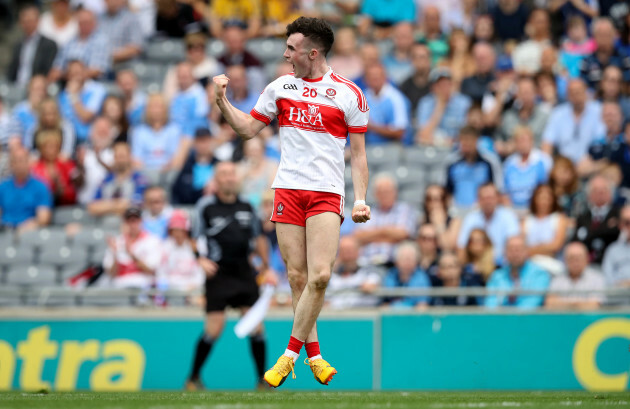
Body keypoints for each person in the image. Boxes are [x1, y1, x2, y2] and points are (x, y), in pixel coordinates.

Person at [211, 17, 371, 388]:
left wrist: (361, 199)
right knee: (297, 277)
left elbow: (359, 155)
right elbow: (247, 128)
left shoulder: (350, 94)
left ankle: (289, 355)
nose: (285, 55)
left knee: (321, 276)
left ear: (311, 53)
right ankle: (315, 357)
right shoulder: (280, 87)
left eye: (291, 49)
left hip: (327, 193)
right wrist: (221, 100)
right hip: (287, 190)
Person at [186, 161, 275, 390]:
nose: (229, 178)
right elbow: (193, 236)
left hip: (244, 273)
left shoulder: (247, 205)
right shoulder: (206, 206)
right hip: (219, 274)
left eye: (232, 174)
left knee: (257, 327)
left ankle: (262, 381)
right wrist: (200, 258)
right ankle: (193, 378)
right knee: (214, 328)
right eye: (223, 174)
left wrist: (266, 267)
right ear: (216, 180)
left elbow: (259, 239)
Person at [354, 174, 418, 266]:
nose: (384, 195)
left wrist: (373, 236)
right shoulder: (368, 211)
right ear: (375, 194)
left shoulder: (405, 209)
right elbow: (359, 236)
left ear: (395, 192)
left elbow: (404, 234)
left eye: (387, 192)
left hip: (394, 264)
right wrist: (388, 233)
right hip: (369, 263)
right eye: (381, 192)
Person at [541, 79, 605, 165]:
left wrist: (591, 161)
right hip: (565, 165)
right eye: (572, 92)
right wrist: (547, 164)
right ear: (567, 95)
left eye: (578, 92)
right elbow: (547, 142)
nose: (576, 95)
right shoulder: (558, 113)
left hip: (591, 162)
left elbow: (602, 140)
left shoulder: (599, 111)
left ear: (586, 92)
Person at [457, 183, 520, 265]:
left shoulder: (508, 216)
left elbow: (514, 244)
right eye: (484, 198)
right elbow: (461, 247)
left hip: (503, 265)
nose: (488, 201)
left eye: (490, 197)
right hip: (476, 265)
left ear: (497, 198)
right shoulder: (471, 218)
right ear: (478, 199)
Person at [445, 126, 504, 211]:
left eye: (469, 140)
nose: (466, 144)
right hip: (456, 210)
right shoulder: (451, 162)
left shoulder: (490, 162)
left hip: (482, 210)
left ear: (477, 140)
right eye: (463, 140)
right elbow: (446, 190)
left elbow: (498, 189)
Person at [103, 206, 162, 289]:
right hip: (120, 286)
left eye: (135, 221)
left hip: (143, 284)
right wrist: (115, 254)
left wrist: (132, 255)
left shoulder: (152, 241)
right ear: (125, 222)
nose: (132, 225)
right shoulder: (117, 241)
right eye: (129, 221)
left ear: (141, 221)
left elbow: (151, 271)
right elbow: (111, 274)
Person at [485, 236, 551, 309]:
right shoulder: (497, 276)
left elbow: (531, 304)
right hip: (500, 319)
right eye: (510, 249)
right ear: (504, 252)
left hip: (528, 319)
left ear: (527, 251)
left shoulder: (539, 275)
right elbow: (490, 305)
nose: (514, 253)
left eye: (518, 249)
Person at [88, 141, 148, 216]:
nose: (120, 160)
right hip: (105, 225)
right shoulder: (106, 180)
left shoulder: (139, 179)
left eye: (122, 156)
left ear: (130, 157)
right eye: (117, 157)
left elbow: (135, 206)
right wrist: (117, 205)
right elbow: (92, 207)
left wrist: (105, 206)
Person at [49, 8, 110, 81]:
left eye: (87, 22)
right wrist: (67, 74)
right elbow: (57, 68)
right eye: (81, 23)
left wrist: (76, 75)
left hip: (93, 83)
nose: (84, 25)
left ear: (94, 23)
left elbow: (98, 70)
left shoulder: (101, 41)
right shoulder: (69, 42)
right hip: (66, 82)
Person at [416, 67, 472, 146]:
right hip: (431, 148)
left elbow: (468, 134)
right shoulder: (425, 103)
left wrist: (449, 141)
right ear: (433, 87)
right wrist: (440, 107)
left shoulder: (464, 103)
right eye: (440, 85)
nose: (444, 88)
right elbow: (423, 135)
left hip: (457, 148)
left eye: (447, 84)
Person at [0, 148, 52, 232]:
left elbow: (43, 218)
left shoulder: (40, 187)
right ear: (10, 164)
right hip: (5, 231)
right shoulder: (3, 187)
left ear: (29, 162)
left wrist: (29, 226)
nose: (18, 164)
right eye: (15, 161)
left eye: (22, 160)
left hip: (29, 232)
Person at [156, 210, 204, 299]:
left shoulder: (197, 246)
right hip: (171, 291)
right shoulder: (165, 246)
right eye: (175, 230)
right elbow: (161, 273)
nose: (178, 233)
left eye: (181, 230)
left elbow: (200, 272)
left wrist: (192, 287)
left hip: (192, 290)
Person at [572, 175, 621, 263]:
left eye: (604, 189)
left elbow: (616, 236)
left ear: (611, 193)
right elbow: (576, 242)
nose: (600, 192)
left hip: (612, 262)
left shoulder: (620, 214)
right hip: (586, 263)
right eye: (596, 190)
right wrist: (606, 228)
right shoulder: (582, 217)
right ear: (588, 195)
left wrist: (589, 234)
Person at [503, 126, 552, 211]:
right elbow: (504, 193)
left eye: (525, 140)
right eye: (520, 141)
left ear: (532, 141)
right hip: (513, 209)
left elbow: (548, 189)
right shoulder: (508, 163)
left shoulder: (544, 161)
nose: (523, 144)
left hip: (537, 209)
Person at [130, 94, 184, 172]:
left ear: (165, 109)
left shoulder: (174, 130)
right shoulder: (139, 132)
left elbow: (176, 157)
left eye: (159, 107)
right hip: (145, 174)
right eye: (152, 107)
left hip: (168, 174)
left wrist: (167, 168)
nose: (156, 110)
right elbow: (136, 158)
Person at [57, 59, 107, 143]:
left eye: (78, 72)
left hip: (90, 141)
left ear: (85, 72)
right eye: (73, 74)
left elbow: (85, 117)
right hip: (68, 139)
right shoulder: (62, 95)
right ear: (67, 76)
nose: (76, 76)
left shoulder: (97, 90)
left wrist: (73, 96)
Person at [7, 5, 57, 88]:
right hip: (16, 85)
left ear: (37, 21)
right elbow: (11, 70)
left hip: (37, 87)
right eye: (24, 21)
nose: (27, 25)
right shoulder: (18, 45)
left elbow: (48, 71)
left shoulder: (49, 45)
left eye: (30, 21)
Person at [546, 242, 606, 309]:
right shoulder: (558, 279)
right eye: (571, 258)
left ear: (587, 259)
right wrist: (578, 304)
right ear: (565, 260)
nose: (575, 261)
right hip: (562, 319)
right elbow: (550, 303)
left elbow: (595, 305)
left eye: (579, 257)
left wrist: (565, 305)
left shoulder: (597, 279)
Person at [327, 235, 381, 309]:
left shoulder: (368, 268)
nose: (347, 256)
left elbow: (370, 285)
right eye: (343, 251)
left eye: (349, 251)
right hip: (335, 315)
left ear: (358, 251)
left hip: (363, 314)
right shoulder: (331, 273)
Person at [30, 128, 80, 206]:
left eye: (54, 146)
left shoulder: (66, 164)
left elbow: (75, 190)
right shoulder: (34, 167)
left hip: (64, 207)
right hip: (41, 207)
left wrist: (61, 188)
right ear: (41, 148)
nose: (51, 150)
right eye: (47, 147)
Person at [363, 63, 409, 145]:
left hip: (391, 148)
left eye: (377, 76)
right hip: (367, 146)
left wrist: (371, 127)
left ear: (385, 77)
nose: (374, 78)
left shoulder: (396, 98)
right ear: (366, 80)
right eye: (371, 76)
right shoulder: (363, 96)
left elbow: (400, 132)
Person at [580, 18, 630, 90]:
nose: (604, 38)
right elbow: (583, 88)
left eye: (607, 34)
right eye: (600, 35)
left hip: (621, 98)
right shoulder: (586, 62)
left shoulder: (625, 58)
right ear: (594, 37)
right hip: (594, 99)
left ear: (614, 35)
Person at [172, 128, 217, 205]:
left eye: (205, 141)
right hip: (190, 205)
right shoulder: (186, 166)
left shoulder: (219, 164)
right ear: (194, 143)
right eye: (199, 141)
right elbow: (178, 191)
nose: (203, 145)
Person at [76, 116, 115, 205]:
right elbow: (76, 184)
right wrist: (80, 166)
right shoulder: (82, 153)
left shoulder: (116, 154)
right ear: (91, 133)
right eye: (99, 129)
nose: (102, 132)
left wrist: (99, 160)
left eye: (105, 129)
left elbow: (118, 174)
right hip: (85, 205)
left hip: (109, 205)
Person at [522, 184, 568, 257]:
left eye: (547, 198)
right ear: (534, 199)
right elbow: (522, 246)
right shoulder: (527, 220)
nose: (544, 202)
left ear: (553, 200)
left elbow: (556, 245)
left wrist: (532, 249)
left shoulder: (559, 218)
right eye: (541, 198)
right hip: (529, 262)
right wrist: (545, 248)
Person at [99, 0, 144, 66]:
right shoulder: (98, 18)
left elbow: (136, 47)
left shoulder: (131, 18)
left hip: (124, 64)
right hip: (99, 64)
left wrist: (110, 57)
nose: (112, 2)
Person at [237, 137, 278, 209]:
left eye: (257, 150)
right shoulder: (240, 167)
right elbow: (236, 189)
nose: (254, 154)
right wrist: (246, 170)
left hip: (265, 207)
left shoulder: (272, 165)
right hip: (244, 207)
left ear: (263, 150)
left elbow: (273, 191)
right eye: (251, 150)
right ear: (245, 151)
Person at [602, 205, 630, 303]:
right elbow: (607, 283)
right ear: (621, 225)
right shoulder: (612, 250)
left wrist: (624, 284)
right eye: (627, 223)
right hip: (617, 304)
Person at [399, 43, 431, 119]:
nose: (419, 61)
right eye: (415, 57)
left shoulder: (436, 83)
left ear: (429, 59)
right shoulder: (405, 86)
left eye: (422, 57)